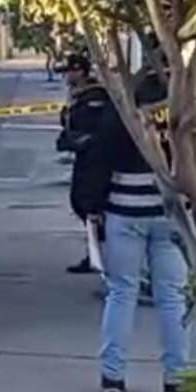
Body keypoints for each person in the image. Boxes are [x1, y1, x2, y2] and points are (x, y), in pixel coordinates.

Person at [73, 69, 188, 392]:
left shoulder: (121, 116)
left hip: (123, 213)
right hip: (171, 215)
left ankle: (113, 376)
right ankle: (176, 380)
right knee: (172, 297)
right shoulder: (185, 113)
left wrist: (91, 208)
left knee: (121, 293)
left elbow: (97, 161)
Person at [55, 53, 112, 274]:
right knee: (81, 202)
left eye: (70, 71)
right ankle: (96, 253)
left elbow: (90, 125)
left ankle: (102, 255)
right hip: (85, 156)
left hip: (96, 158)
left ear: (80, 71)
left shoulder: (95, 95)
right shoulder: (78, 94)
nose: (67, 76)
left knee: (89, 204)